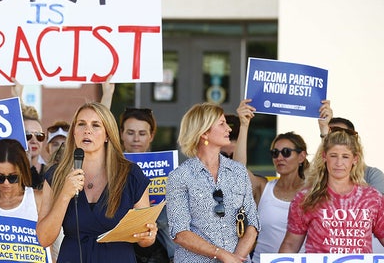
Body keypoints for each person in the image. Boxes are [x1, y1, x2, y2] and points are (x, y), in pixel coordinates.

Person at [37, 102, 157, 263]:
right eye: (81, 124)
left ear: (108, 135)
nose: (87, 130)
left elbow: (144, 239)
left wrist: (148, 235)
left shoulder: (131, 174)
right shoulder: (56, 175)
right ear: (73, 132)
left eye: (95, 125)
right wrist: (64, 195)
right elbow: (44, 239)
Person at [279, 128, 384, 253]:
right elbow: (290, 244)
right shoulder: (305, 198)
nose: (339, 163)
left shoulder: (373, 198)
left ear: (355, 159)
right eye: (333, 156)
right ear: (324, 156)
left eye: (345, 156)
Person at [166, 102, 259, 263]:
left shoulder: (239, 171)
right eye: (222, 124)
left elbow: (253, 222)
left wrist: (236, 258)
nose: (229, 129)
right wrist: (223, 255)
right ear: (204, 133)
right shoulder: (179, 176)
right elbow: (180, 232)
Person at [234, 99, 310, 262]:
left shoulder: (312, 192)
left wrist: (324, 129)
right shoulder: (264, 187)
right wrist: (244, 125)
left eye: (286, 152)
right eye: (275, 153)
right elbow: (238, 170)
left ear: (301, 156)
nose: (280, 157)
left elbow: (334, 166)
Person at [119, 107, 173, 263]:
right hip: (122, 246)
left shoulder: (167, 167)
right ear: (121, 133)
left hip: (159, 247)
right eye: (130, 133)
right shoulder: (110, 167)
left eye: (142, 134)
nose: (136, 139)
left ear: (151, 136)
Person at [317, 104, 384, 202]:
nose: (337, 140)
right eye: (331, 135)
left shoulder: (372, 174)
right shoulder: (316, 175)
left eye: (342, 134)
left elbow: (376, 208)